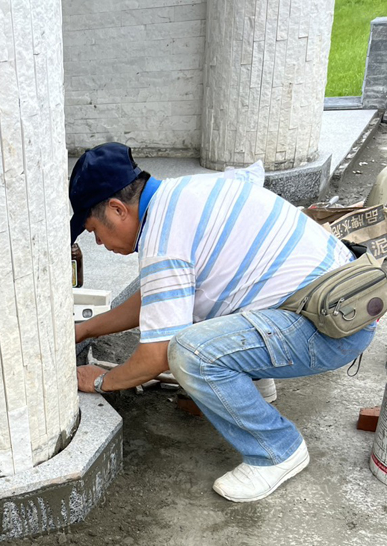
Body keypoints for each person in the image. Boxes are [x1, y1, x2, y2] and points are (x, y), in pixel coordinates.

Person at [70, 143, 377, 502]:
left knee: (189, 353)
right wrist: (86, 328)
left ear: (117, 209)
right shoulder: (182, 195)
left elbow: (156, 355)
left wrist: (103, 381)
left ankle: (276, 451)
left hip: (329, 328)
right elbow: (155, 298)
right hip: (338, 304)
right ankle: (252, 386)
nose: (99, 242)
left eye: (94, 230)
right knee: (200, 305)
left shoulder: (163, 238)